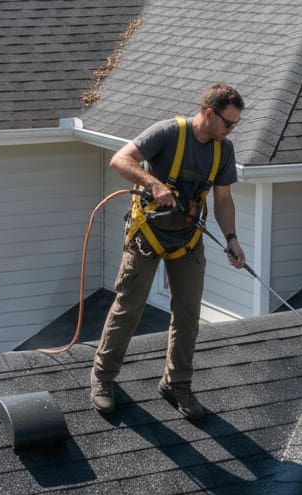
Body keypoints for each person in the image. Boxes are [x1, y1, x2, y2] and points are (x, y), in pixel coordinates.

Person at [90, 83, 247, 420]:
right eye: (229, 123)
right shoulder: (167, 133)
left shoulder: (224, 150)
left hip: (188, 238)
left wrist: (232, 238)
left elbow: (222, 200)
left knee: (188, 314)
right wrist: (154, 184)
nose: (232, 129)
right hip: (148, 234)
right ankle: (103, 378)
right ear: (208, 114)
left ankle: (177, 383)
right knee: (128, 307)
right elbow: (120, 160)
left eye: (235, 124)